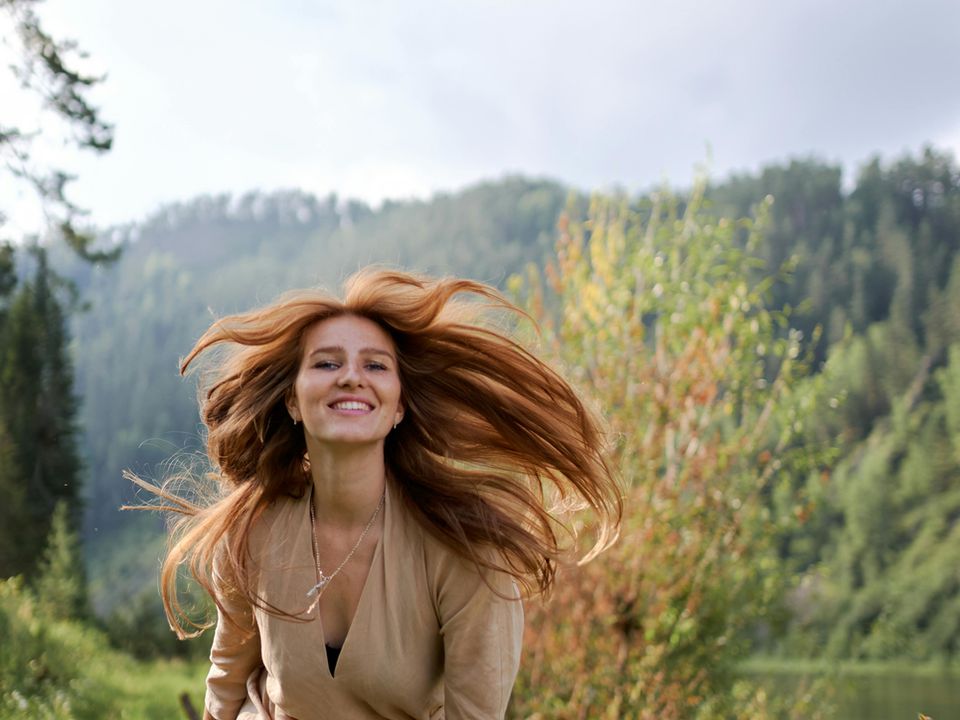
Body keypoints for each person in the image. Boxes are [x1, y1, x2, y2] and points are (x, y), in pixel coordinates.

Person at [136, 268, 621, 720]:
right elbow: (225, 688)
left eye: (376, 365)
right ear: (292, 401)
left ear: (398, 407)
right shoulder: (253, 530)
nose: (351, 376)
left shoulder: (469, 552)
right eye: (327, 363)